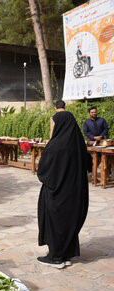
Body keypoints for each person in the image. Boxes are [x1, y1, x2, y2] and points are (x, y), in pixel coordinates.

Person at [37, 111, 88, 269]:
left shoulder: (55, 145)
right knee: (69, 222)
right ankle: (66, 255)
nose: (51, 127)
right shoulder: (78, 144)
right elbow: (88, 164)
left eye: (52, 124)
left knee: (56, 223)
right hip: (75, 193)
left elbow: (43, 172)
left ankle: (56, 257)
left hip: (57, 193)